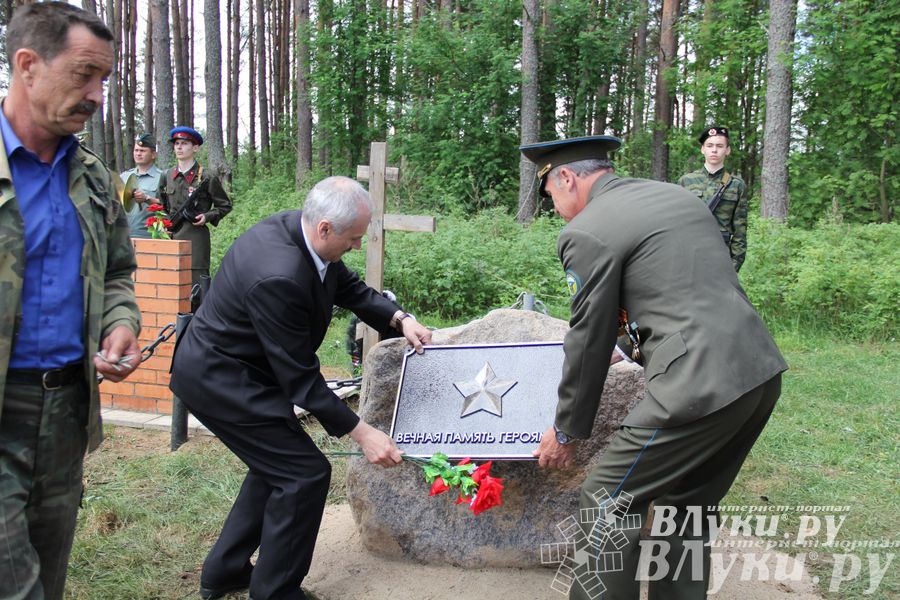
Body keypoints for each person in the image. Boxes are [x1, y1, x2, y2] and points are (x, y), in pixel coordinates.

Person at [522, 136, 787, 600]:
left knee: (606, 499)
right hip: (757, 372)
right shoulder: (675, 196)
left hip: (697, 386)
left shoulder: (587, 230)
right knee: (685, 508)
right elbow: (674, 289)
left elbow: (586, 336)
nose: (554, 207)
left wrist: (566, 430)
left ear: (566, 177)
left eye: (550, 194)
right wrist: (625, 348)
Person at [169, 176, 432, 600]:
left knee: (276, 465)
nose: (357, 246)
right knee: (304, 474)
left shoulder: (301, 229)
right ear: (326, 227)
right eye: (353, 238)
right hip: (220, 379)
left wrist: (400, 319)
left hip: (242, 370)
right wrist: (364, 434)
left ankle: (224, 571)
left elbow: (346, 286)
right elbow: (301, 380)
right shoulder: (280, 276)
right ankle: (275, 591)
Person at [0, 3, 141, 599]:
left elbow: (118, 273)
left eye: (104, 80)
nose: (97, 95)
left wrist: (119, 322)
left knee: (48, 573)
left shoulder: (92, 176)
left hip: (65, 412)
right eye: (84, 75)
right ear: (28, 65)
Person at [157, 125, 232, 292]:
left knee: (195, 291)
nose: (179, 147)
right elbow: (159, 207)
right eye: (176, 144)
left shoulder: (206, 176)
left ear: (195, 148)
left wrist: (207, 216)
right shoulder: (167, 176)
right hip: (170, 239)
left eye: (184, 143)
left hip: (195, 241)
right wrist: (162, 227)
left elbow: (225, 205)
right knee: (170, 289)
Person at [677, 126, 749, 272]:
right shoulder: (686, 181)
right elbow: (677, 224)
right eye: (709, 145)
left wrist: (733, 267)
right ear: (702, 149)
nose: (714, 150)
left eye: (719, 146)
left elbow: (740, 231)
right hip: (690, 254)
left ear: (727, 150)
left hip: (721, 256)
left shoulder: (736, 185)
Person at [120, 132, 163, 239]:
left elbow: (168, 206)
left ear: (153, 154)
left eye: (143, 151)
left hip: (148, 237)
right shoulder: (124, 176)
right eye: (136, 150)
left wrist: (147, 199)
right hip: (124, 237)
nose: (138, 154)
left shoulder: (162, 177)